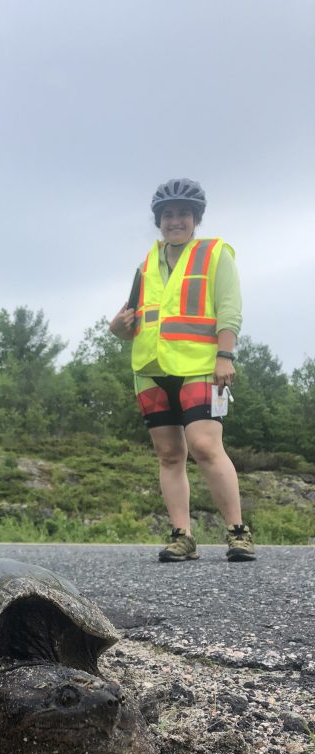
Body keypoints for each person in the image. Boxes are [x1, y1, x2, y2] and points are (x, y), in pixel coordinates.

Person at [109, 178, 256, 562]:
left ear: (196, 219)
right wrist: (116, 327)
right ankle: (182, 536)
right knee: (170, 454)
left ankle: (238, 532)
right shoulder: (146, 265)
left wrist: (226, 356)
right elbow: (130, 321)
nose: (176, 221)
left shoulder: (214, 254)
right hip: (150, 368)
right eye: (168, 215)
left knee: (206, 446)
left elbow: (230, 310)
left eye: (184, 214)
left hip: (201, 366)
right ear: (159, 220)